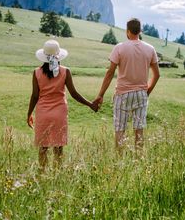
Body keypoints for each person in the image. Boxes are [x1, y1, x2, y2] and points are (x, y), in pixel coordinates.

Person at [27, 39, 98, 170]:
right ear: (58, 55)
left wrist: (29, 113)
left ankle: (42, 173)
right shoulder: (65, 71)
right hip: (59, 113)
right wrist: (90, 104)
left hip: (43, 113)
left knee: (43, 147)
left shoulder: (36, 72)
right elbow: (74, 93)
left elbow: (35, 96)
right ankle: (57, 174)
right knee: (58, 147)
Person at [94, 18, 160, 154]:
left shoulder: (119, 48)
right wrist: (147, 91)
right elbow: (157, 75)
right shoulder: (150, 49)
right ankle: (138, 161)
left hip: (122, 94)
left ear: (127, 31)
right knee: (139, 130)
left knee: (120, 129)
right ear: (140, 31)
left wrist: (100, 95)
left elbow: (110, 73)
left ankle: (119, 162)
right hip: (141, 94)